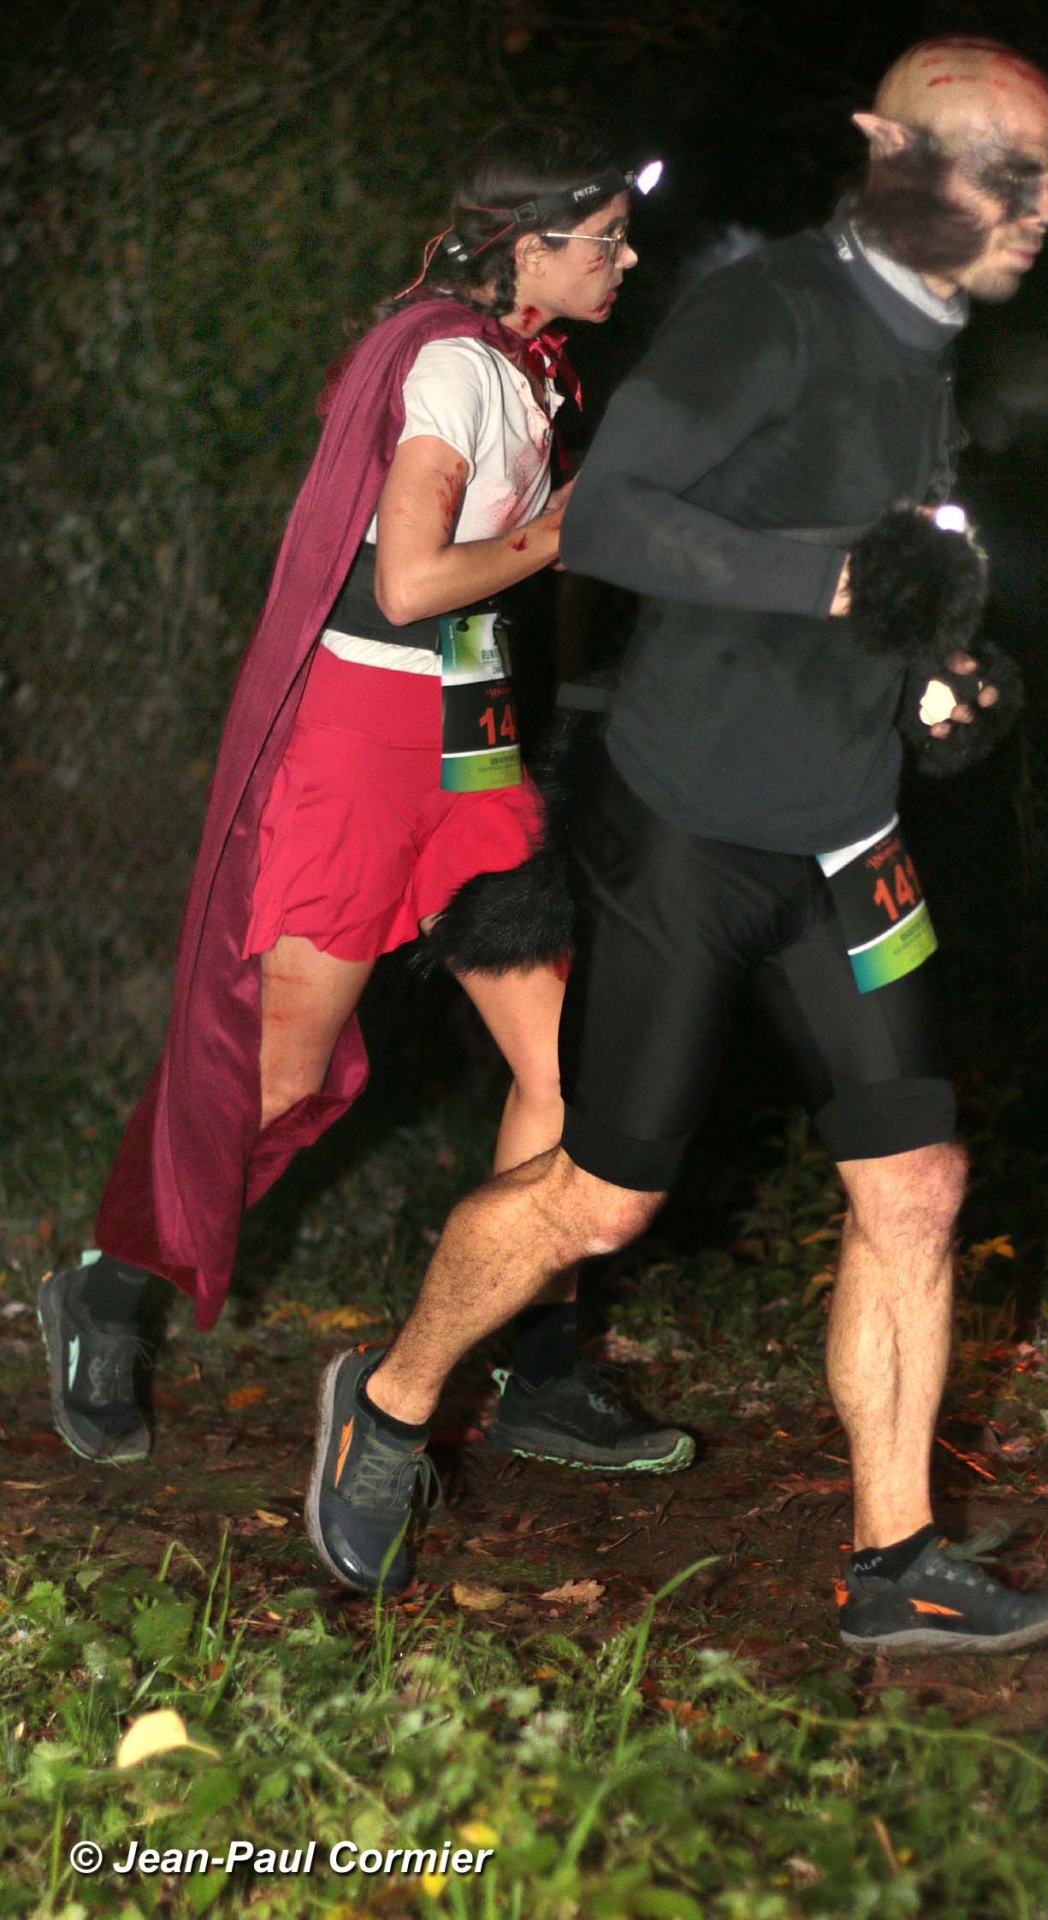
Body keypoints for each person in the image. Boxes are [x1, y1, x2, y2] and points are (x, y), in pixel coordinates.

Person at [306, 36, 1048, 1652]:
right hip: (689, 835)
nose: (1043, 209)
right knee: (600, 1200)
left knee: (916, 1182)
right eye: (1006, 174)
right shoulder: (773, 310)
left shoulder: (928, 344)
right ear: (887, 153)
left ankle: (892, 1561)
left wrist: (942, 672)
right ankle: (389, 1399)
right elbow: (612, 518)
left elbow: (887, 566)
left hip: (848, 839)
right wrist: (838, 582)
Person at [38, 119, 692, 1485]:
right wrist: (559, 531)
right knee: (281, 1075)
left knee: (570, 1076)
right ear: (527, 245)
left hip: (470, 744)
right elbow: (409, 583)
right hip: (363, 741)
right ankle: (105, 1286)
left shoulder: (526, 368)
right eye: (605, 240)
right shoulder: (449, 362)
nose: (626, 260)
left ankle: (536, 1368)